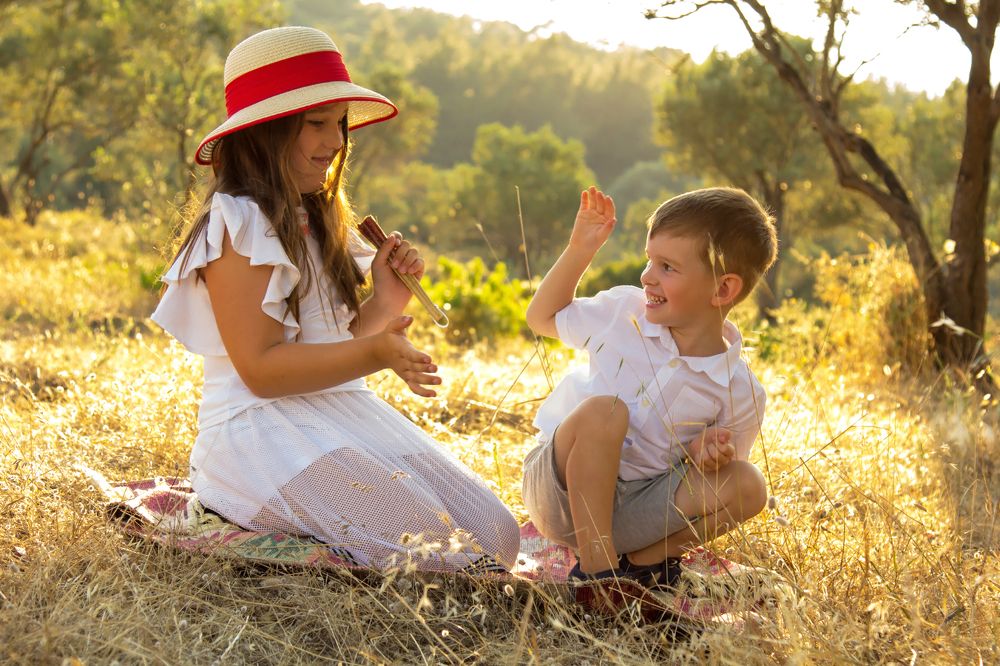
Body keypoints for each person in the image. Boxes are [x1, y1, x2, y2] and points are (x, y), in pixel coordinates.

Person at [151, 26, 519, 574]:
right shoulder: (238, 222)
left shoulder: (318, 217)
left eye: (340, 123)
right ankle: (237, 501)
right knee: (441, 555)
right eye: (317, 124)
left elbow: (331, 345)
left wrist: (384, 306)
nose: (337, 140)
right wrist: (376, 355)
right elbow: (262, 370)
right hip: (258, 428)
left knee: (499, 536)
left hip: (336, 410)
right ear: (265, 132)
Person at [522, 185, 776, 590]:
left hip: (637, 514)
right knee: (605, 411)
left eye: (667, 267)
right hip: (560, 494)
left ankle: (646, 561)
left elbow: (718, 477)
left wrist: (704, 454)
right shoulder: (625, 312)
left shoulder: (740, 390)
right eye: (649, 261)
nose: (647, 276)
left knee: (749, 485)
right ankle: (597, 576)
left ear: (722, 290)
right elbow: (541, 318)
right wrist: (579, 251)